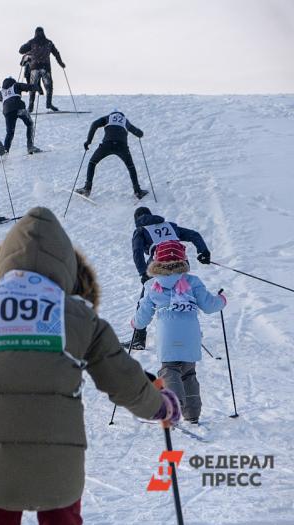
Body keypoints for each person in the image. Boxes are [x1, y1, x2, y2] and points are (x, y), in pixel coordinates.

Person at [0, 207, 180, 525]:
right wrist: (159, 406)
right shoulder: (76, 315)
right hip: (58, 458)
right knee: (62, 522)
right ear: (65, 267)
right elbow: (122, 377)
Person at [132, 240, 227, 424]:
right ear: (183, 260)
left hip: (167, 336)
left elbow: (143, 316)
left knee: (169, 370)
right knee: (189, 373)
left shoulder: (152, 285)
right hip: (190, 335)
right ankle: (192, 415)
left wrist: (135, 323)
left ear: (157, 261)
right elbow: (209, 306)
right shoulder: (192, 281)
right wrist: (221, 300)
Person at [125, 207, 212, 350]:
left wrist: (143, 273)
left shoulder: (141, 230)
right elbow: (194, 235)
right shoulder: (170, 226)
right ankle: (190, 332)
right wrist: (204, 251)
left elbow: (137, 252)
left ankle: (138, 339)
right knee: (183, 294)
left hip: (158, 263)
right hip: (181, 264)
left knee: (147, 298)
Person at [78, 110, 149, 200]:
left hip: (107, 144)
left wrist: (88, 141)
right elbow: (139, 133)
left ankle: (87, 189)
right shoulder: (125, 121)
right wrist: (139, 133)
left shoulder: (108, 118)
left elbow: (94, 124)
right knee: (130, 167)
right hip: (122, 146)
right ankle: (138, 191)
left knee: (92, 162)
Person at [0, 77, 42, 154]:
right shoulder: (16, 85)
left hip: (8, 111)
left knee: (10, 132)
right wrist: (36, 87)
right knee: (30, 124)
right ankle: (30, 146)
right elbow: (28, 86)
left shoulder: (1, 92)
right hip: (19, 107)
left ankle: (5, 151)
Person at [18, 27, 65, 112]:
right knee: (49, 86)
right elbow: (56, 53)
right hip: (45, 68)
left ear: (35, 33)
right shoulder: (49, 42)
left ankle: (31, 107)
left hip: (34, 68)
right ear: (43, 33)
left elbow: (21, 50)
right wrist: (61, 63)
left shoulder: (32, 42)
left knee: (32, 87)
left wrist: (27, 49)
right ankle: (49, 104)